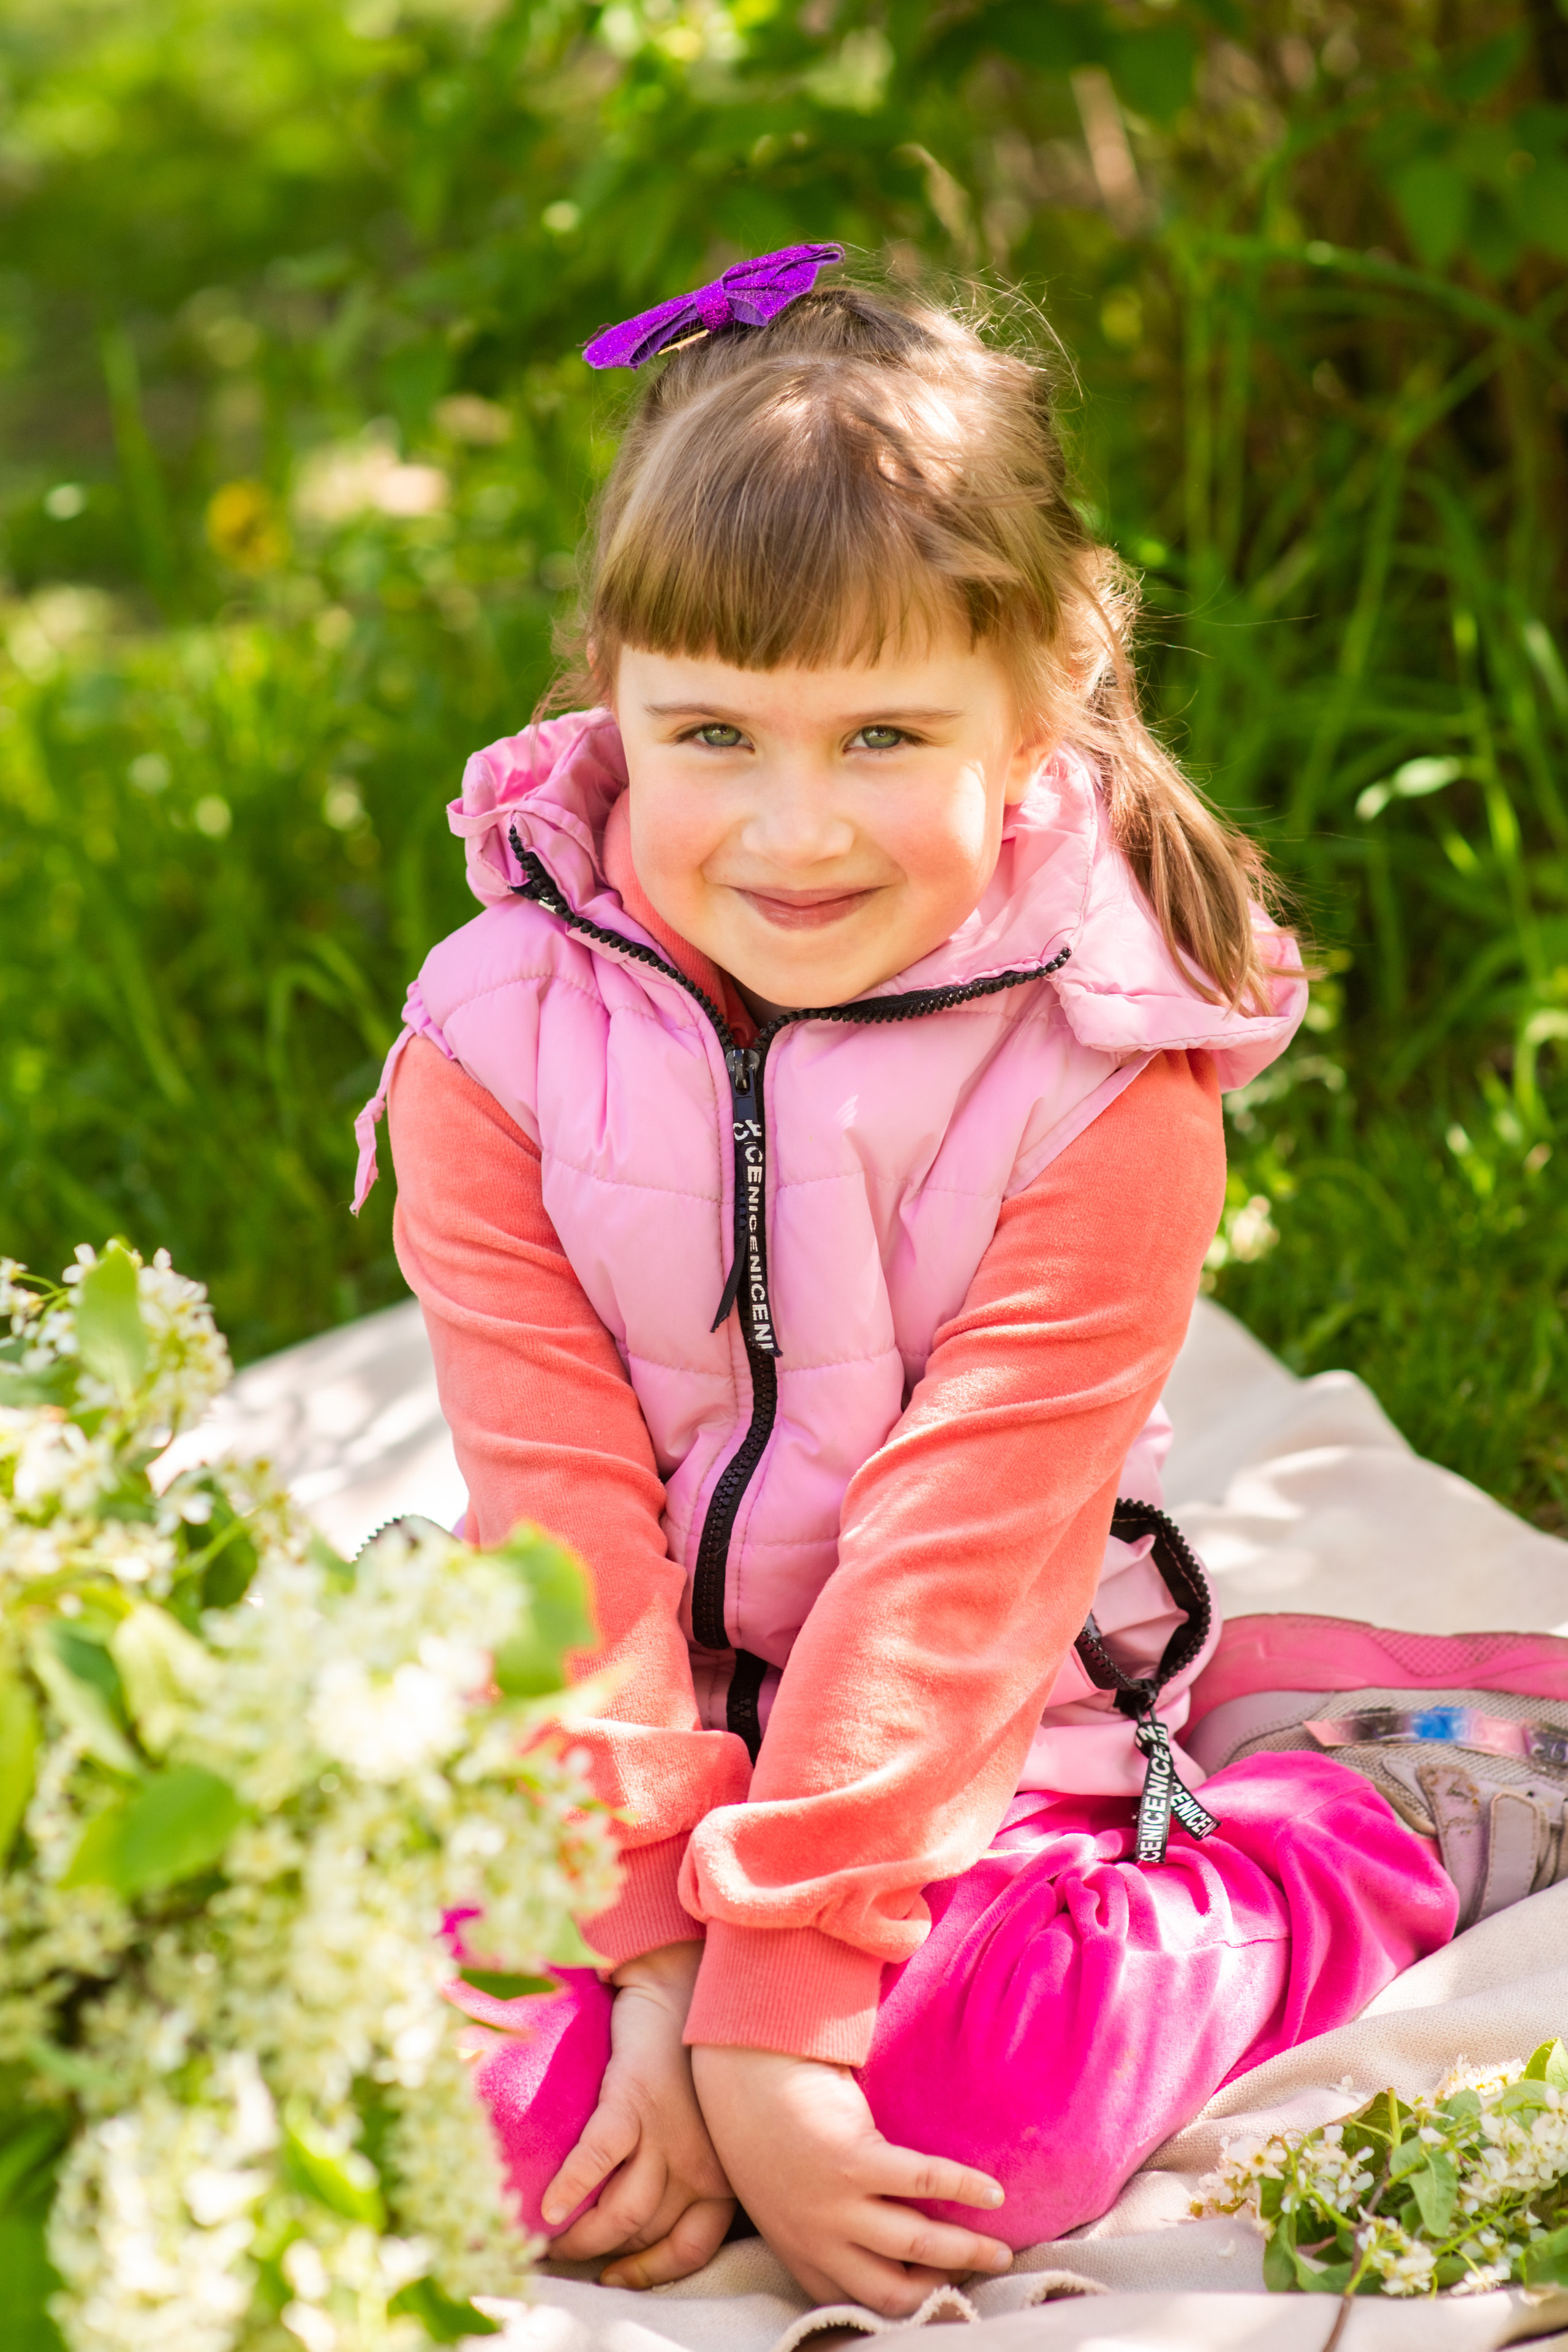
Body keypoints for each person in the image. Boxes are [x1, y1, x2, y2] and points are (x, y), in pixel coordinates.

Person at [353, 251, 1568, 2318]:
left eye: (886, 731)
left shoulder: (1110, 1074)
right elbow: (553, 1527)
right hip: (626, 1723)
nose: (793, 828)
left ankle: (1370, 1805)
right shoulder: (492, 1040)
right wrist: (654, 1960)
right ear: (608, 696)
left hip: (979, 1720)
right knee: (530, 2147)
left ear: (1043, 684)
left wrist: (783, 2016)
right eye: (713, 733)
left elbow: (961, 1555)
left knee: (965, 2134)